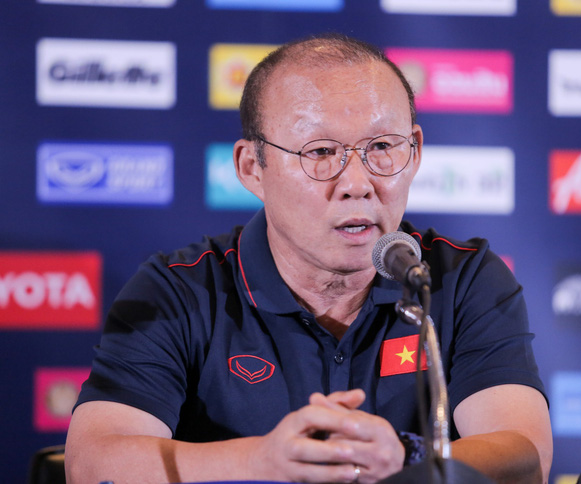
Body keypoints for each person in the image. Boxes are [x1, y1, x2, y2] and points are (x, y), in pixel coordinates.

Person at [65, 33, 552, 484]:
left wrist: (409, 459)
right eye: (320, 152)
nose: (357, 183)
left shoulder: (457, 279)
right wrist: (259, 461)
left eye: (382, 146)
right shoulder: (179, 290)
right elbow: (90, 464)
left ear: (416, 151)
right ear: (252, 168)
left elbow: (526, 457)